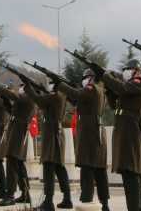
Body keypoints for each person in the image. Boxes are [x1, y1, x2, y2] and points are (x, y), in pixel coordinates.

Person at [57, 68, 110, 211]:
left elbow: (76, 94)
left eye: (86, 77)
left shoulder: (91, 88)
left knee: (87, 169)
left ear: (91, 78)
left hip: (89, 134)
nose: (84, 80)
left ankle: (86, 200)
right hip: (95, 132)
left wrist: (60, 85)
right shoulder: (99, 89)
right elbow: (78, 100)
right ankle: (104, 204)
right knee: (100, 171)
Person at [100, 59, 141, 211]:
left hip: (131, 133)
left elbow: (121, 88)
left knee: (131, 174)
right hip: (125, 133)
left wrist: (104, 76)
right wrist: (108, 89)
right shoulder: (130, 87)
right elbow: (115, 104)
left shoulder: (139, 82)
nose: (126, 71)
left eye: (129, 69)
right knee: (132, 174)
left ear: (136, 71)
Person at [24, 81, 73, 211]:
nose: (50, 84)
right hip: (54, 132)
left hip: (52, 134)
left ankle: (48, 202)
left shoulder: (56, 96)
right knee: (58, 167)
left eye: (52, 82)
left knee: (49, 167)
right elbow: (44, 103)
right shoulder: (58, 96)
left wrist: (28, 87)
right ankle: (67, 198)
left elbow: (39, 101)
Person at [0, 83, 36, 206]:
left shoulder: (28, 97)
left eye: (23, 87)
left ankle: (10, 195)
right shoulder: (22, 99)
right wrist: (4, 100)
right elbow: (12, 110)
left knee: (12, 161)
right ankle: (25, 194)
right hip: (15, 129)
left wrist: (0, 88)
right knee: (18, 163)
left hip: (19, 131)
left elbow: (15, 97)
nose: (20, 89)